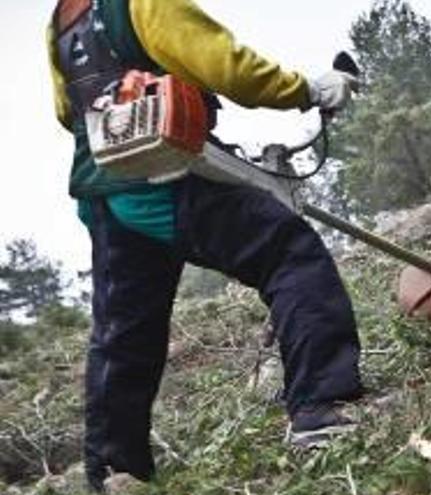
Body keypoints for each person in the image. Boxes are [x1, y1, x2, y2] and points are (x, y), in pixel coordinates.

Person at [46, 0, 363, 490]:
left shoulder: (62, 21)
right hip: (165, 173)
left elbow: (68, 111)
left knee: (123, 338)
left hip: (105, 192)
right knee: (288, 253)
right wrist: (309, 88)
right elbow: (227, 66)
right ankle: (322, 409)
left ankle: (115, 472)